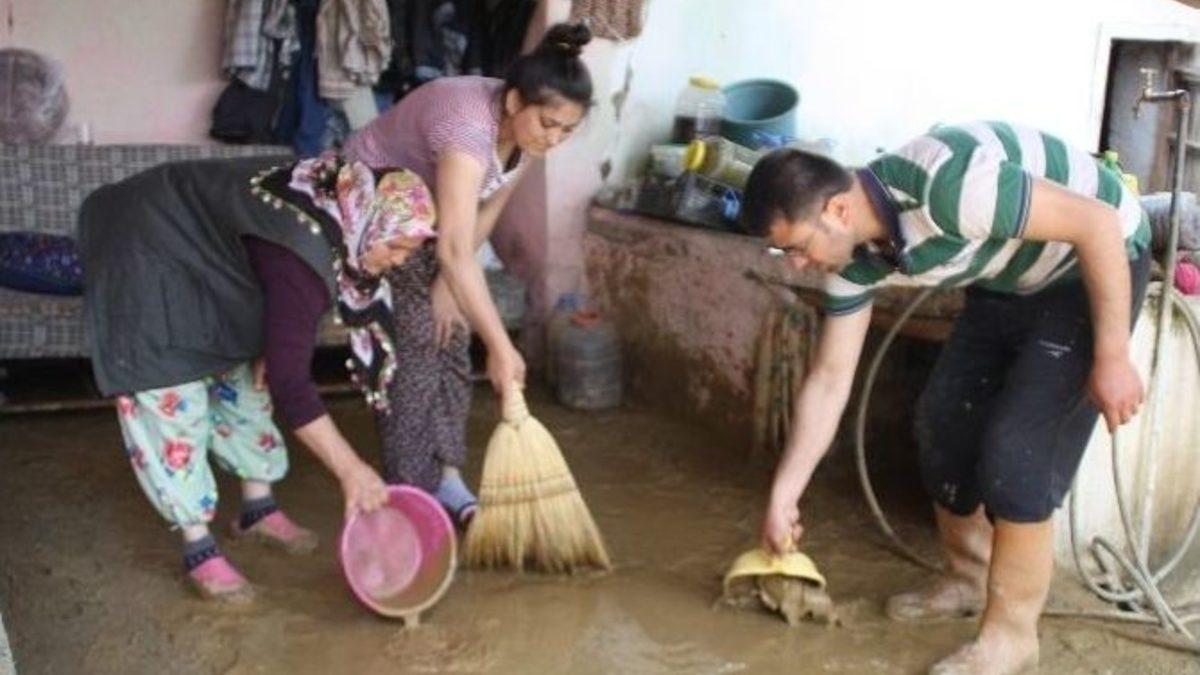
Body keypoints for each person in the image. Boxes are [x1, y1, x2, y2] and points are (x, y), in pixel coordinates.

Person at [742, 121, 1151, 674]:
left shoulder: (949, 188)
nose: (795, 264)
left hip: (1091, 266)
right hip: (1007, 281)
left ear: (838, 210)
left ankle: (1012, 638)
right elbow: (830, 379)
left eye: (796, 247)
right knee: (941, 425)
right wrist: (783, 496)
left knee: (1016, 453)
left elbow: (1097, 222)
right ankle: (967, 579)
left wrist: (1112, 356)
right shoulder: (853, 261)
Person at [79, 155, 433, 602]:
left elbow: (293, 310)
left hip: (207, 258)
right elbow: (292, 385)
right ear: (369, 223)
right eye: (395, 247)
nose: (398, 262)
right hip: (143, 242)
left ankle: (257, 510)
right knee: (173, 398)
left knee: (246, 383)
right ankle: (198, 546)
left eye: (408, 252)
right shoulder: (303, 247)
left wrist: (277, 347)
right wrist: (352, 470)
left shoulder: (340, 213)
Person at [337, 22, 594, 525]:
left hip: (430, 217)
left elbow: (487, 208)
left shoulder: (528, 134)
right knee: (415, 344)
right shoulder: (467, 127)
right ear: (515, 102)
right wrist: (500, 345)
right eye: (549, 124)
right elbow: (454, 249)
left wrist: (447, 287)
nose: (555, 138)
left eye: (568, 130)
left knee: (451, 331)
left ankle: (448, 476)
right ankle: (411, 491)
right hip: (370, 215)